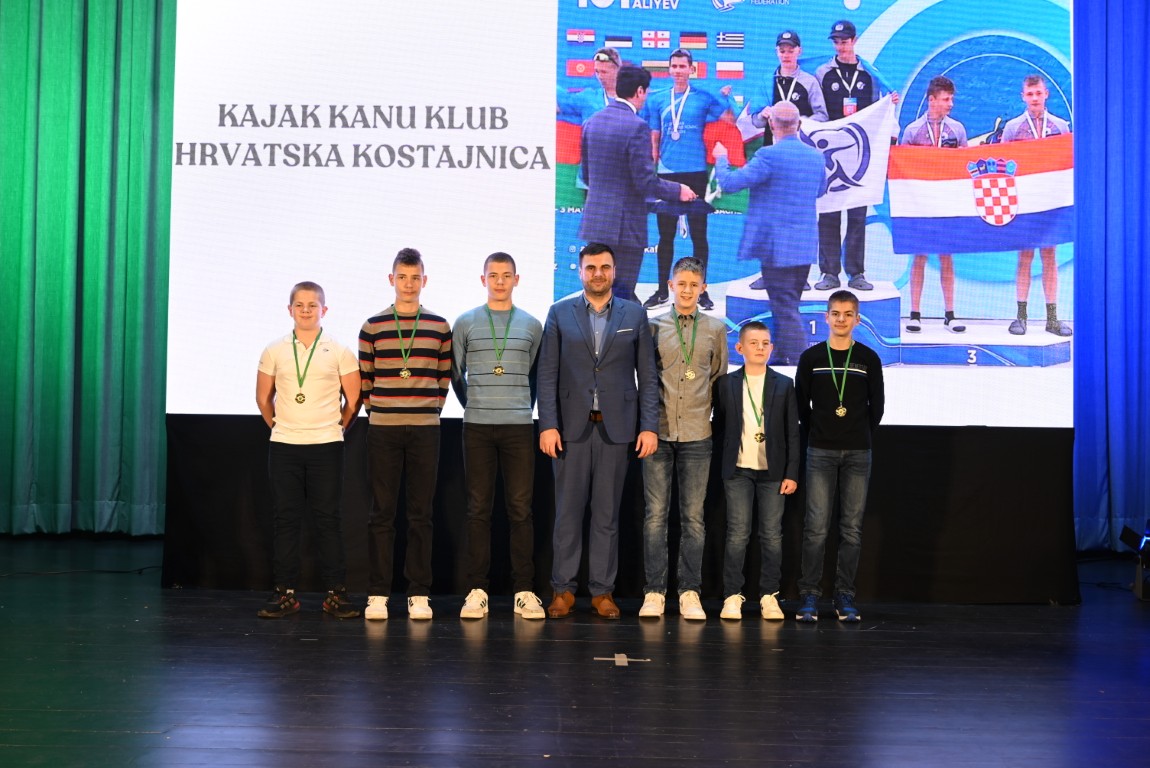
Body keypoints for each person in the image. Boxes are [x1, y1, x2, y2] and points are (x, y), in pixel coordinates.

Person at [537, 242, 660, 619]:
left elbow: (647, 377)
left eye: (604, 267)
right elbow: (547, 374)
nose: (598, 274)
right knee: (567, 515)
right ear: (580, 271)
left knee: (607, 516)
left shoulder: (634, 314)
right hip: (570, 431)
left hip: (616, 429)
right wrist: (548, 425)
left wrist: (649, 426)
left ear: (614, 271)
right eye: (591, 268)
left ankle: (602, 592)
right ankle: (563, 590)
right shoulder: (559, 312)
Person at [255, 282, 362, 619]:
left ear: (324, 310)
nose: (305, 310)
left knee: (328, 519)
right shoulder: (274, 349)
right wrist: (281, 427)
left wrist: (336, 428)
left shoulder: (340, 350)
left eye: (312, 305)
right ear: (289, 310)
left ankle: (336, 594)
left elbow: (354, 399)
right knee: (286, 519)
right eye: (299, 305)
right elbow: (262, 398)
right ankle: (284, 593)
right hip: (284, 446)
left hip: (326, 446)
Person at [358, 248, 452, 621]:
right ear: (392, 279)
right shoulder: (372, 326)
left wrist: (427, 409)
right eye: (402, 277)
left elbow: (443, 379)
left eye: (415, 278)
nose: (409, 284)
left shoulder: (439, 327)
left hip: (425, 430)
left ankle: (418, 593)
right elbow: (365, 381)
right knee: (381, 514)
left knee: (420, 514)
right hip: (383, 429)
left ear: (424, 280)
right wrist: (381, 411)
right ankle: (378, 593)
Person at [451, 252, 546, 620]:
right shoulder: (465, 322)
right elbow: (456, 375)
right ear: (483, 280)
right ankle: (478, 590)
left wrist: (520, 406)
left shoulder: (532, 325)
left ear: (517, 280)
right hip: (476, 426)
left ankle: (524, 590)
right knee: (478, 509)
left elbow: (536, 377)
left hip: (519, 427)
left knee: (521, 510)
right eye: (494, 275)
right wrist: (474, 404)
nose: (500, 281)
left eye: (507, 275)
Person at [639, 256, 729, 620]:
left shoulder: (715, 329)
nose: (687, 290)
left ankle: (690, 592)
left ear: (703, 288)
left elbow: (718, 378)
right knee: (655, 517)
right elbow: (646, 379)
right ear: (671, 286)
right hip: (658, 434)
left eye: (694, 285)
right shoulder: (652, 326)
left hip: (697, 434)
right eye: (682, 284)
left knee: (693, 519)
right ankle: (654, 592)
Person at [794, 290, 885, 623]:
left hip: (859, 453)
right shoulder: (811, 357)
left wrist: (857, 433)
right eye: (836, 313)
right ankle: (809, 595)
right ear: (827, 317)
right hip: (820, 450)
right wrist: (822, 432)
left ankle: (844, 595)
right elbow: (801, 405)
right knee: (816, 529)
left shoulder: (869, 358)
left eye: (848, 314)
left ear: (857, 319)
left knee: (851, 530)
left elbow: (877, 407)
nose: (841, 319)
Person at [713, 100, 826, 366]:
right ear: (799, 124)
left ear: (772, 124)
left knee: (784, 306)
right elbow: (820, 190)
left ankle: (803, 367)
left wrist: (721, 158)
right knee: (787, 304)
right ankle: (782, 356)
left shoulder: (768, 156)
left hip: (776, 248)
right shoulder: (816, 156)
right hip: (804, 245)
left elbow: (730, 183)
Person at [580, 65, 697, 303]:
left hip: (596, 223)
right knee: (621, 298)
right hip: (624, 228)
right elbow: (644, 181)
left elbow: (587, 175)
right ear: (640, 91)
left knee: (600, 297)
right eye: (647, 91)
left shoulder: (592, 122)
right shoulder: (637, 126)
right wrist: (678, 190)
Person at [714, 321, 799, 621]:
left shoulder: (784, 384)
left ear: (772, 347)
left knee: (772, 535)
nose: (760, 348)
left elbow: (792, 432)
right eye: (753, 343)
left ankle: (769, 595)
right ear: (740, 348)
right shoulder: (726, 384)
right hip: (738, 469)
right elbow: (720, 426)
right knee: (737, 534)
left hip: (773, 471)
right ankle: (731, 595)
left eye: (765, 343)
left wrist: (791, 472)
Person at [641, 49, 737, 311]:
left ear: (691, 69)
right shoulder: (658, 98)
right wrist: (652, 165)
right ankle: (662, 290)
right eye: (674, 66)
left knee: (699, 235)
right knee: (666, 235)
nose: (678, 71)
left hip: (695, 171)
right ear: (669, 69)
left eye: (683, 66)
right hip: (666, 173)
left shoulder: (703, 97)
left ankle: (702, 292)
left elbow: (728, 116)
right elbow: (654, 134)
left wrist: (724, 96)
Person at [813, 20, 899, 292]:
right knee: (828, 214)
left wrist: (888, 105)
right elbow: (817, 111)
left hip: (860, 155)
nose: (840, 46)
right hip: (830, 155)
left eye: (845, 41)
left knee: (857, 215)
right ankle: (829, 272)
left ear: (855, 40)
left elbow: (876, 113)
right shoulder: (823, 73)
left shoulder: (870, 75)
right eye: (836, 42)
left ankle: (856, 272)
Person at [746, 30, 828, 293]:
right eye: (782, 50)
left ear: (799, 51)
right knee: (768, 217)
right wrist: (763, 114)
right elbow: (754, 120)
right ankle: (767, 273)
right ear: (776, 52)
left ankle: (800, 276)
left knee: (799, 219)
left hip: (799, 160)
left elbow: (823, 116)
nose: (786, 54)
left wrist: (796, 121)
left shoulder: (809, 82)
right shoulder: (766, 81)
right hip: (771, 159)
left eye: (791, 49)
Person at [1000, 74, 1073, 337]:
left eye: (1038, 93)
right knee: (1025, 257)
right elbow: (1002, 166)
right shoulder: (1013, 128)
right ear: (1023, 97)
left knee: (1050, 256)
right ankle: (1021, 317)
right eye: (1029, 94)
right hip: (1024, 203)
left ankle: (1052, 319)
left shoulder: (1061, 127)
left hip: (1051, 203)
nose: (1034, 98)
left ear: (1046, 95)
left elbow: (1068, 164)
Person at [900, 75, 968, 334]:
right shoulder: (912, 131)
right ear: (932, 100)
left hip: (946, 204)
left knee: (946, 257)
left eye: (952, 99)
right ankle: (915, 314)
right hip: (920, 204)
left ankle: (950, 315)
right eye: (946, 99)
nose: (951, 104)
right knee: (919, 257)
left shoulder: (957, 130)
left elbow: (965, 165)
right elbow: (902, 169)